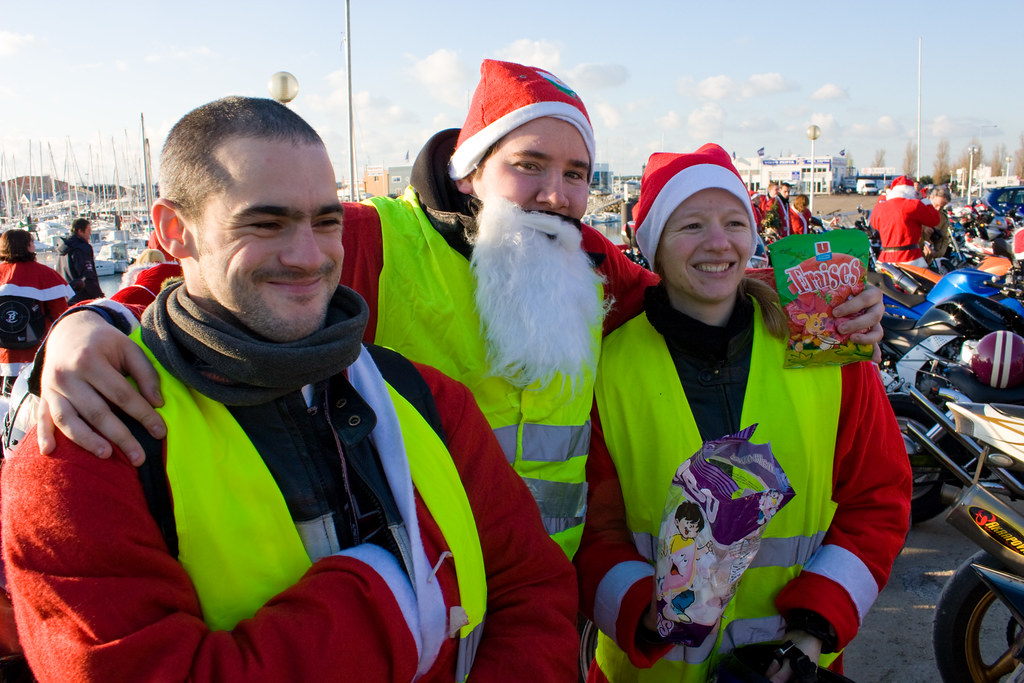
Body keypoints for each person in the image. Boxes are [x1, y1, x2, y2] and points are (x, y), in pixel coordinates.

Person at [25, 60, 885, 561]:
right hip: (409, 583)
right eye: (529, 166)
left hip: (550, 598)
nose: (555, 194)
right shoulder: (374, 237)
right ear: (472, 170)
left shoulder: (597, 272)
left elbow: (697, 286)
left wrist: (799, 297)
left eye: (577, 173)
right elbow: (225, 264)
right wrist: (91, 321)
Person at [1, 96, 577, 682]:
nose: (308, 256)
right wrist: (387, 592)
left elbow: (533, 590)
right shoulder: (81, 449)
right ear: (175, 231)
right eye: (265, 222)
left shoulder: (426, 398)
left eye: (326, 221)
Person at [574, 144, 910, 682]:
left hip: (795, 662)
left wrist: (810, 634)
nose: (718, 242)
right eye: (690, 226)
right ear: (653, 248)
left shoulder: (826, 346)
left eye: (735, 221)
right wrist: (651, 617)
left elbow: (880, 497)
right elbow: (594, 529)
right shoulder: (605, 367)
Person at [0, 230, 72, 395]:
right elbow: (61, 315)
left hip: (3, 354)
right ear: (28, 246)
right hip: (36, 351)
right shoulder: (45, 274)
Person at [870, 175, 941, 266]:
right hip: (910, 258)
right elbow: (934, 220)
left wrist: (883, 198)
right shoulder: (914, 205)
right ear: (911, 192)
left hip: (886, 259)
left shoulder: (880, 207)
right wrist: (924, 200)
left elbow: (875, 224)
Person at [56, 217, 104, 304]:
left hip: (67, 298)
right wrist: (99, 297)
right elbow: (87, 275)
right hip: (83, 299)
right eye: (88, 230)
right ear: (80, 231)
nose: (90, 234)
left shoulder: (62, 250)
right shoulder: (81, 248)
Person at [922, 185, 953, 265]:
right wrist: (923, 229)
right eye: (936, 205)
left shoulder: (942, 218)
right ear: (931, 198)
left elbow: (944, 239)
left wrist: (935, 253)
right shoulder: (918, 210)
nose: (938, 209)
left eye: (942, 206)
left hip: (927, 259)